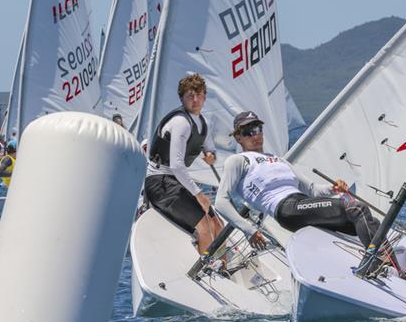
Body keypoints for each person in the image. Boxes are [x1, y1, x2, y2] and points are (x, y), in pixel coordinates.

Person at [214, 111, 383, 254]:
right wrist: (249, 230)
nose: (255, 135)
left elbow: (312, 189)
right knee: (356, 208)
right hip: (286, 209)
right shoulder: (237, 161)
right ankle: (373, 263)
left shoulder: (278, 160)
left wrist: (333, 188)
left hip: (303, 203)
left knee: (374, 223)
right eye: (248, 132)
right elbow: (221, 202)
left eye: (258, 129)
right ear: (238, 137)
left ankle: (396, 270)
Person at [145, 73, 222, 255]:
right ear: (182, 98)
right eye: (190, 96)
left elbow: (210, 149)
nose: (195, 100)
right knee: (204, 226)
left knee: (217, 224)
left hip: (175, 182)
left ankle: (222, 268)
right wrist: (199, 194)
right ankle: (208, 271)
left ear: (204, 96)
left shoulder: (202, 123)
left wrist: (210, 155)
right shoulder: (181, 122)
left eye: (199, 95)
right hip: (159, 182)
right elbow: (177, 166)